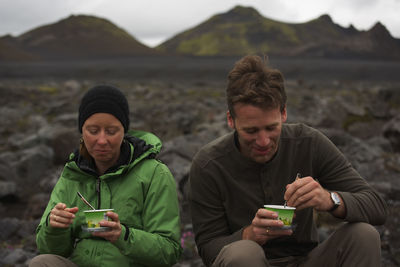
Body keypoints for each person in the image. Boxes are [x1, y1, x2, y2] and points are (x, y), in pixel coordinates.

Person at [189, 55, 387, 267]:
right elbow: (208, 249)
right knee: (244, 253)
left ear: (283, 113)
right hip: (248, 262)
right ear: (231, 120)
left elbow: (376, 206)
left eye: (271, 128)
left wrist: (329, 199)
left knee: (363, 235)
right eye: (251, 131)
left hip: (308, 261)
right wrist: (250, 235)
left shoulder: (309, 143)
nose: (263, 141)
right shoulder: (209, 165)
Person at [30, 85, 182, 267]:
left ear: (124, 131)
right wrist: (54, 227)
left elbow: (169, 250)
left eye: (111, 131)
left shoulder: (155, 174)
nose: (102, 140)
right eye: (93, 131)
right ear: (82, 131)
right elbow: (53, 250)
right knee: (42, 262)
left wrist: (123, 236)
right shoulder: (72, 174)